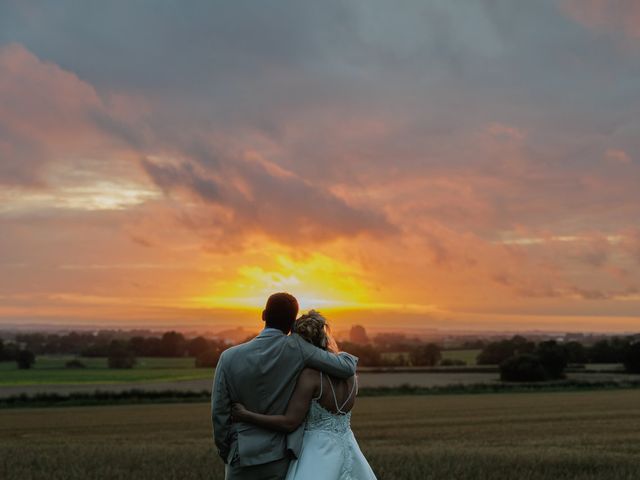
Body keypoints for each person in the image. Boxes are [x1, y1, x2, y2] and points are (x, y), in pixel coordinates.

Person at [212, 293, 359, 480]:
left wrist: (227, 451)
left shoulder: (228, 357)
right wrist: (346, 356)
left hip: (241, 454)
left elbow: (219, 413)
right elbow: (346, 368)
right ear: (292, 323)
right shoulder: (298, 347)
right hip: (279, 456)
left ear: (263, 315)